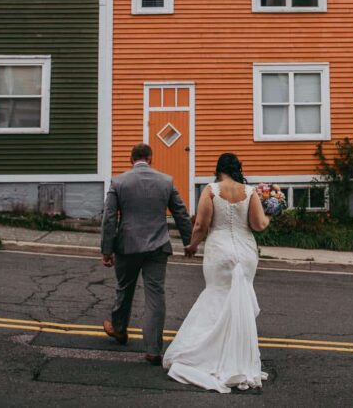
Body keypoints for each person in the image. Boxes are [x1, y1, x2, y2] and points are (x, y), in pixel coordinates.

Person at [163, 152, 271, 393]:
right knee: (238, 301)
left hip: (220, 251)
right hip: (245, 252)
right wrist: (271, 214)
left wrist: (192, 245)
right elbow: (258, 225)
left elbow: (201, 224)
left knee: (216, 297)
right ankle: (236, 357)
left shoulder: (211, 190)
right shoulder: (250, 192)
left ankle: (206, 354)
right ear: (236, 169)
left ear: (219, 169)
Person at [100, 142, 193, 365]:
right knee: (155, 295)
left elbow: (109, 218)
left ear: (131, 160)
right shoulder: (166, 181)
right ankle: (153, 349)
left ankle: (120, 329)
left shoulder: (119, 182)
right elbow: (181, 213)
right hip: (158, 246)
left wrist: (106, 249)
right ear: (150, 159)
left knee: (125, 288)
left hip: (127, 245)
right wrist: (189, 242)